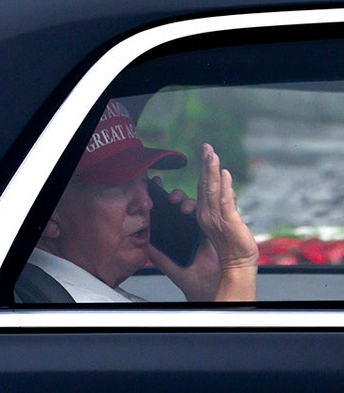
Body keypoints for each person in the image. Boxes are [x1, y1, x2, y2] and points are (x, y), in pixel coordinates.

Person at [18, 98, 259, 303]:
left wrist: (209, 288)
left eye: (144, 182)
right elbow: (229, 357)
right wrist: (237, 266)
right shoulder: (83, 315)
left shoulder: (48, 291)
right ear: (49, 216)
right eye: (114, 186)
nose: (146, 203)